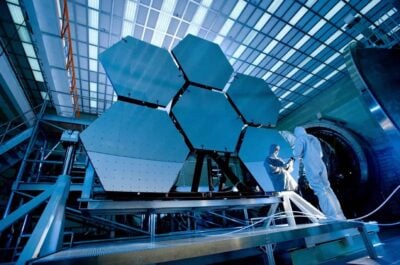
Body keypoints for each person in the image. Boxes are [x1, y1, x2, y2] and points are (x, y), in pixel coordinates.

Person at [293, 127, 346, 220]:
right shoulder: (313, 138)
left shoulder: (300, 139)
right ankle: (339, 214)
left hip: (311, 165)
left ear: (296, 133)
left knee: (320, 191)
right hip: (321, 164)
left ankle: (331, 216)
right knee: (328, 189)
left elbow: (297, 154)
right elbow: (320, 153)